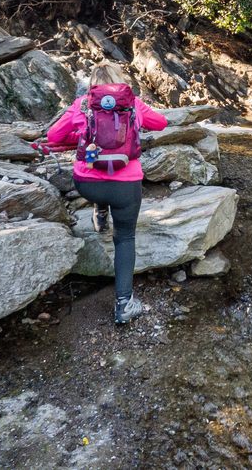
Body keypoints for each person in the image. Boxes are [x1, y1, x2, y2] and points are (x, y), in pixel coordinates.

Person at [46, 62, 168, 323]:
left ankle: (99, 209)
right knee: (125, 238)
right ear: (120, 81)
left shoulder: (81, 104)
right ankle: (124, 305)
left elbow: (53, 136)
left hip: (88, 184)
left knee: (100, 194)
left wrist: (80, 134)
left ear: (91, 84)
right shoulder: (132, 104)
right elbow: (162, 123)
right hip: (125, 186)